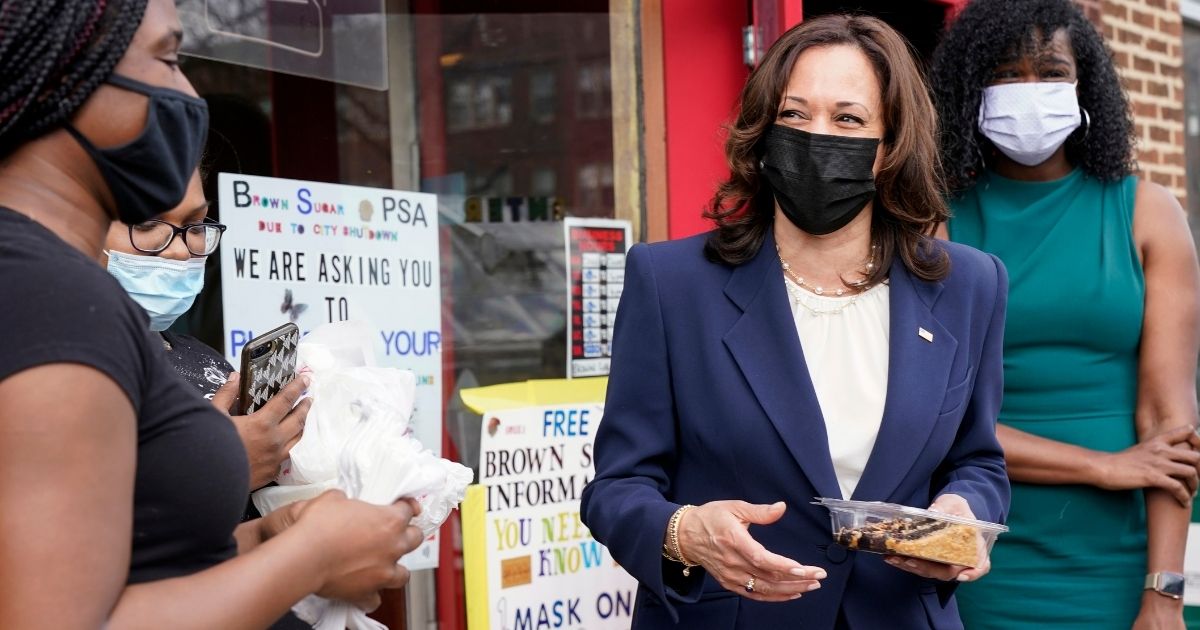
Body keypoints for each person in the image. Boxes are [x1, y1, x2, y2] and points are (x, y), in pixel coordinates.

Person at [0, 1, 423, 628]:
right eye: (170, 59)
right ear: (66, 75)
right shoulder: (48, 293)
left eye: (196, 227)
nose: (190, 95)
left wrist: (270, 537)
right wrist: (312, 556)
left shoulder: (58, 288)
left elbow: (130, 571)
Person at [580, 14, 1010, 629]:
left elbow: (979, 460)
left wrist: (963, 515)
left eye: (848, 119)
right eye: (794, 115)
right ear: (763, 131)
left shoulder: (970, 285)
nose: (817, 135)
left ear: (890, 145)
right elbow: (616, 488)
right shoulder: (670, 283)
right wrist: (685, 532)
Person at [930, 1, 1200, 628]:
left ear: (1085, 86)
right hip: (980, 552)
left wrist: (1162, 592)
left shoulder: (1147, 213)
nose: (1030, 92)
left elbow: (1170, 424)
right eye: (1005, 74)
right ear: (972, 90)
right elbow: (941, 415)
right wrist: (1103, 466)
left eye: (1051, 71)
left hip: (1120, 560)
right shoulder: (936, 223)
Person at [103, 169, 304, 493]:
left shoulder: (197, 353)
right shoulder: (68, 372)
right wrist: (222, 468)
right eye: (145, 224)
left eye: (195, 226)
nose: (181, 250)